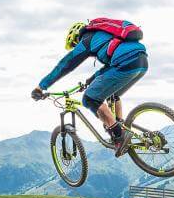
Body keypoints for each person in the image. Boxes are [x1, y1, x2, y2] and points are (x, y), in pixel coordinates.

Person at [31, 20, 148, 156]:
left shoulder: (87, 40)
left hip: (126, 63)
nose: (76, 47)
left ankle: (119, 135)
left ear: (76, 37)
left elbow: (65, 64)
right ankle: (120, 125)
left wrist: (41, 86)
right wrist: (91, 80)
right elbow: (110, 66)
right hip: (142, 62)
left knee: (89, 99)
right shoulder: (107, 37)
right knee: (112, 93)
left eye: (74, 45)